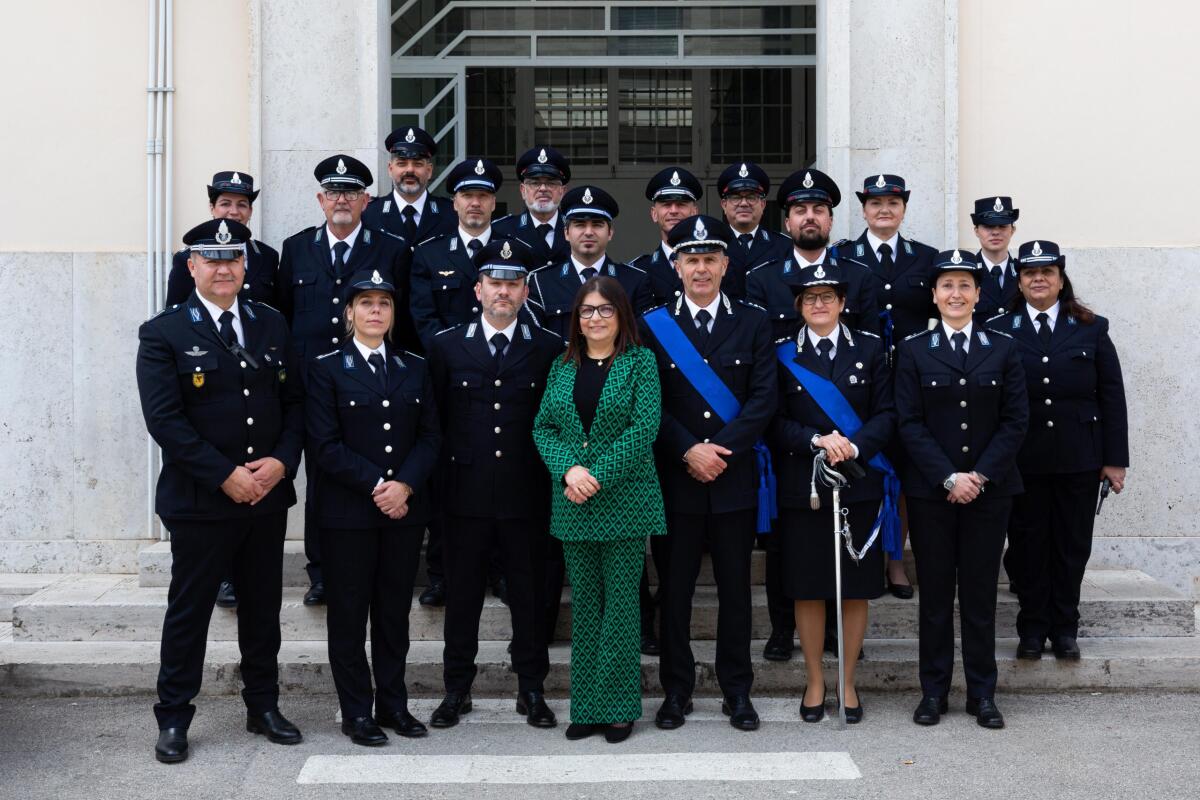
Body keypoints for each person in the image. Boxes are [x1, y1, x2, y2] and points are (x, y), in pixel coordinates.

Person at [136, 219, 304, 763]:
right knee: (189, 611)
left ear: (245, 265)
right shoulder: (163, 332)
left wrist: (280, 462)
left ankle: (263, 706)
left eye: (232, 258)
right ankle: (174, 718)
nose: (223, 267)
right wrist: (225, 475)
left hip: (265, 497)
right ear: (192, 267)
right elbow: (166, 422)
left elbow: (296, 405)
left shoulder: (272, 325)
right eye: (211, 259)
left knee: (262, 609)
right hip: (201, 500)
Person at [639, 215, 777, 732]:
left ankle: (737, 690)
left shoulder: (754, 321)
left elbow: (764, 398)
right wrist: (687, 451)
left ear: (725, 264)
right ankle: (676, 691)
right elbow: (648, 402)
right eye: (690, 259)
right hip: (676, 482)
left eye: (709, 259)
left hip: (733, 479)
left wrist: (719, 450)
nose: (701, 268)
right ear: (676, 266)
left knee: (736, 592)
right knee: (673, 593)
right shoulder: (654, 325)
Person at [427, 238, 565, 730]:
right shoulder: (445, 345)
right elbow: (435, 424)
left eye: (513, 283)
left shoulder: (549, 347)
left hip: (527, 495)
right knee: (461, 598)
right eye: (495, 283)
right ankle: (456, 690)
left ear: (525, 291)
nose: (503, 291)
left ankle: (531, 688)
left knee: (530, 598)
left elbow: (556, 421)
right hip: (463, 495)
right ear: (478, 288)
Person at [895, 249, 1029, 729]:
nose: (956, 294)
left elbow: (1016, 421)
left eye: (965, 286)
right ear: (934, 296)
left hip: (990, 493)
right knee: (934, 596)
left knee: (979, 597)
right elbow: (908, 423)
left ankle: (982, 694)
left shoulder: (1004, 347)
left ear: (978, 295)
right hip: (933, 494)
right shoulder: (912, 350)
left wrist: (979, 476)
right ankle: (933, 693)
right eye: (947, 286)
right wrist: (949, 477)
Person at [305, 268, 440, 746]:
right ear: (350, 312)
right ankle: (356, 711)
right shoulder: (325, 367)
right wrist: (380, 485)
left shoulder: (413, 367)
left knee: (391, 615)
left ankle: (394, 705)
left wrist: (404, 485)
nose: (376, 311)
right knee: (348, 614)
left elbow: (429, 437)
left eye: (384, 303)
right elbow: (324, 445)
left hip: (403, 514)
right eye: (366, 303)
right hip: (348, 516)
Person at [532, 275, 667, 744]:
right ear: (577, 319)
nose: (595, 318)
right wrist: (570, 470)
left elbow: (643, 428)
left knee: (621, 607)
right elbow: (543, 428)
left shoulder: (640, 363)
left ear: (621, 316)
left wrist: (595, 476)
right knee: (587, 606)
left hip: (625, 502)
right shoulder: (562, 365)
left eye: (604, 310)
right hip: (573, 503)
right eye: (587, 311)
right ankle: (586, 706)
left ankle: (619, 706)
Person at [275, 154, 414, 606]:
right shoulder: (295, 248)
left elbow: (403, 318)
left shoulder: (390, 249)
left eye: (351, 193)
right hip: (314, 383)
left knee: (374, 462)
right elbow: (284, 317)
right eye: (333, 192)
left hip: (371, 383)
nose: (341, 200)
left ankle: (380, 561)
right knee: (322, 476)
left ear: (365, 201)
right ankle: (322, 572)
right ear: (320, 199)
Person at [987, 240, 1128, 661]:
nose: (1039, 279)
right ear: (1020, 280)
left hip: (1079, 457)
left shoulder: (1090, 327)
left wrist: (1114, 459)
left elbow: (1112, 396)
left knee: (1071, 545)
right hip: (1022, 458)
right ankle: (1032, 629)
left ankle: (1065, 628)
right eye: (1030, 273)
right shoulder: (999, 327)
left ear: (1061, 279)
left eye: (1047, 272)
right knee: (1028, 546)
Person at [769, 262, 895, 724]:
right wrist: (816, 440)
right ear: (798, 306)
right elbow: (773, 418)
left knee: (854, 588)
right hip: (806, 485)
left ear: (843, 303)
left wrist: (855, 445)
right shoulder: (782, 354)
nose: (818, 304)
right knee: (808, 586)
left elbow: (888, 412)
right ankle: (815, 681)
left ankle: (846, 681)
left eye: (827, 297)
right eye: (809, 298)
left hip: (858, 481)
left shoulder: (872, 349)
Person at [166, 171, 279, 609]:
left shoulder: (267, 259)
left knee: (262, 609)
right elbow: (178, 317)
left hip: (257, 397)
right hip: (208, 401)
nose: (234, 211)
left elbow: (273, 333)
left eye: (242, 204)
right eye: (226, 203)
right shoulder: (184, 268)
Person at [409, 157, 513, 607]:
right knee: (446, 479)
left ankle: (501, 571)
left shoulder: (513, 249)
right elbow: (422, 318)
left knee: (503, 472)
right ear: (454, 202)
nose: (476, 203)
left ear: (494, 202)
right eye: (468, 195)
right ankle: (443, 573)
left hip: (505, 376)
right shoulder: (430, 253)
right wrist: (462, 353)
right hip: (447, 379)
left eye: (484, 196)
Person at [837, 173, 939, 600]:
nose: (884, 209)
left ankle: (895, 560)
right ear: (862, 209)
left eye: (893, 203)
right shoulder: (844, 257)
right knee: (868, 471)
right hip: (861, 384)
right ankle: (863, 554)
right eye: (875, 202)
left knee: (903, 471)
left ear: (903, 209)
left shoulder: (926, 257)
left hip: (912, 382)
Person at [746, 168, 880, 342]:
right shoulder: (762, 279)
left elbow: (871, 347)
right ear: (787, 223)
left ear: (830, 221)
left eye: (818, 210)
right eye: (800, 211)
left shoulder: (858, 276)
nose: (810, 217)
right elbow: (757, 349)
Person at [528, 184, 654, 337]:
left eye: (597, 224)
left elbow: (643, 340)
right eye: (580, 225)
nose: (588, 232)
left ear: (610, 233)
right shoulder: (541, 282)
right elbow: (537, 343)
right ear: (566, 233)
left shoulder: (635, 281)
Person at [363, 126, 457, 246]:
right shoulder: (369, 215)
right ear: (390, 169)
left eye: (417, 164)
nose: (410, 170)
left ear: (429, 171)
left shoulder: (451, 214)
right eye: (402, 164)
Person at [716, 161, 791, 301]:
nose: (744, 203)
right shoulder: (713, 246)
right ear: (724, 205)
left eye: (751, 197)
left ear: (763, 204)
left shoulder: (784, 247)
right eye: (736, 197)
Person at [630, 167, 704, 307]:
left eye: (681, 204)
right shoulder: (638, 271)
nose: (674, 211)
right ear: (654, 214)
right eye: (666, 204)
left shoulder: (714, 266)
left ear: (694, 212)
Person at [492, 146, 572, 267]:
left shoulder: (577, 230)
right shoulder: (501, 231)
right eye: (535, 183)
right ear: (523, 190)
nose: (543, 189)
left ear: (562, 191)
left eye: (551, 182)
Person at [971, 196, 1021, 323]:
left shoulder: (1023, 272)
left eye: (1002, 226)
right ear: (976, 231)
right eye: (988, 226)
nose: (995, 232)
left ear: (1013, 230)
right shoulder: (967, 272)